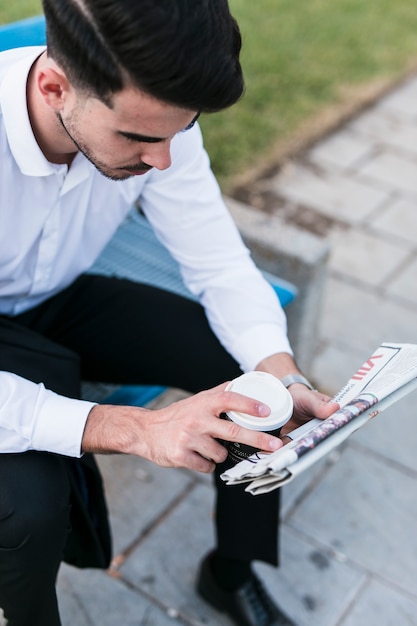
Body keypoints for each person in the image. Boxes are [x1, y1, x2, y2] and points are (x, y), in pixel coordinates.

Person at [0, 1, 337, 625]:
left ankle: (231, 573)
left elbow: (217, 260)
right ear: (54, 86)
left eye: (178, 133)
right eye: (138, 137)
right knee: (30, 508)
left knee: (257, 391)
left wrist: (281, 373)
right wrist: (138, 429)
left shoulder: (161, 126)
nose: (162, 160)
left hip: (62, 296)